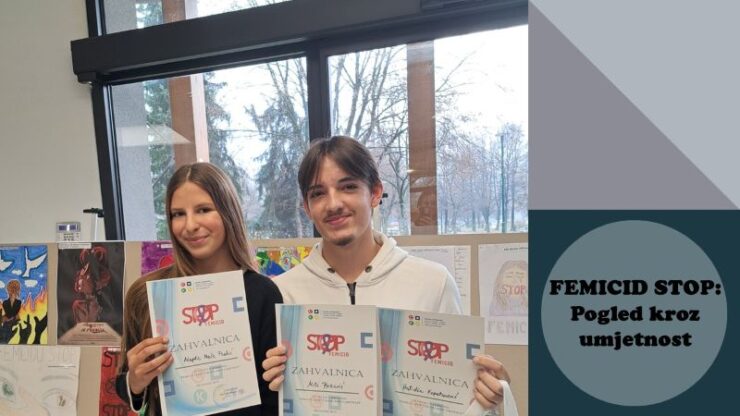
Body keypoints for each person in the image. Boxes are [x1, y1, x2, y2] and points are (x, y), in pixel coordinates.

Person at [262, 136, 511, 411]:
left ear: (375, 193)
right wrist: (271, 386)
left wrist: (488, 398)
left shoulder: (433, 283)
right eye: (318, 193)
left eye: (348, 187)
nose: (333, 204)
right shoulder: (282, 293)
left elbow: (460, 401)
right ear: (307, 208)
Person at [115, 163, 282, 416]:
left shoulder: (262, 293)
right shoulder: (146, 295)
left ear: (228, 212)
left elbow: (272, 396)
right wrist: (135, 381)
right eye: (178, 214)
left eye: (203, 210)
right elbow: (126, 385)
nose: (190, 225)